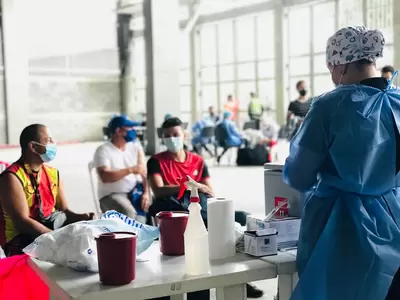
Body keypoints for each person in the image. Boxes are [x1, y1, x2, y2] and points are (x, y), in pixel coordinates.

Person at [283, 26, 400, 300]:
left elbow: (299, 174)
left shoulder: (330, 106)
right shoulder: (397, 101)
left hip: (342, 225)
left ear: (340, 65)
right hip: (395, 219)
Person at [147, 117, 264, 298]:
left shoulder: (197, 161)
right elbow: (158, 190)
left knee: (240, 219)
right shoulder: (156, 161)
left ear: (184, 135)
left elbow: (210, 192)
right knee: (206, 233)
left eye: (175, 134)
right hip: (176, 207)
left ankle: (240, 276)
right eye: (167, 136)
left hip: (199, 203)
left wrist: (197, 187)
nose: (172, 139)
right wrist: (188, 185)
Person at [0, 124, 94, 256]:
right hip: (20, 240)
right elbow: (22, 222)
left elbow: (65, 211)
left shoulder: (53, 173)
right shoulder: (11, 177)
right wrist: (56, 237)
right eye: (48, 140)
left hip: (49, 231)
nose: (53, 144)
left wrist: (84, 218)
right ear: (33, 146)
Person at [93, 115, 149, 223]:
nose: (133, 131)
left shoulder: (135, 147)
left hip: (135, 190)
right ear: (119, 131)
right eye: (130, 128)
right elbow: (105, 176)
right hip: (112, 195)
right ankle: (128, 239)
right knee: (129, 213)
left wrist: (146, 192)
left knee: (151, 207)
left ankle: (145, 237)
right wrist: (130, 170)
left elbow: (144, 173)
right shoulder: (103, 150)